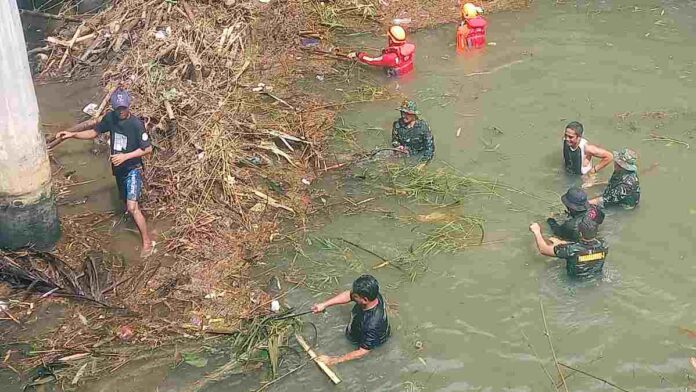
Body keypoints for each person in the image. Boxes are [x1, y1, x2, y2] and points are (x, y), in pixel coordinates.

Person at [56, 88, 155, 257]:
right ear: (114, 108)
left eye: (124, 108)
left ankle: (147, 243)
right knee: (125, 202)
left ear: (128, 106)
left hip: (132, 168)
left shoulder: (136, 124)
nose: (121, 111)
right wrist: (72, 134)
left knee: (132, 207)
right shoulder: (110, 118)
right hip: (118, 169)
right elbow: (94, 132)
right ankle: (139, 224)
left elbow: (148, 149)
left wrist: (125, 157)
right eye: (118, 109)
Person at [311, 275, 390, 366]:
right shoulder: (374, 295)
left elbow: (363, 351)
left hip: (367, 340)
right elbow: (349, 295)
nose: (352, 296)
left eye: (355, 296)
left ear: (365, 300)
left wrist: (333, 360)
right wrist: (324, 305)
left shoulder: (371, 325)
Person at [529, 218, 608, 277]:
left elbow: (543, 250)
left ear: (580, 233)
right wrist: (562, 243)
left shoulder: (571, 250)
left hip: (574, 282)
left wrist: (537, 232)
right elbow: (586, 248)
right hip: (595, 278)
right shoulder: (604, 245)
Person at [348, 25, 415, 77]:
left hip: (395, 78)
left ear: (391, 39)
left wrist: (358, 54)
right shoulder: (408, 48)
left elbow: (371, 60)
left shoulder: (389, 58)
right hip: (408, 74)